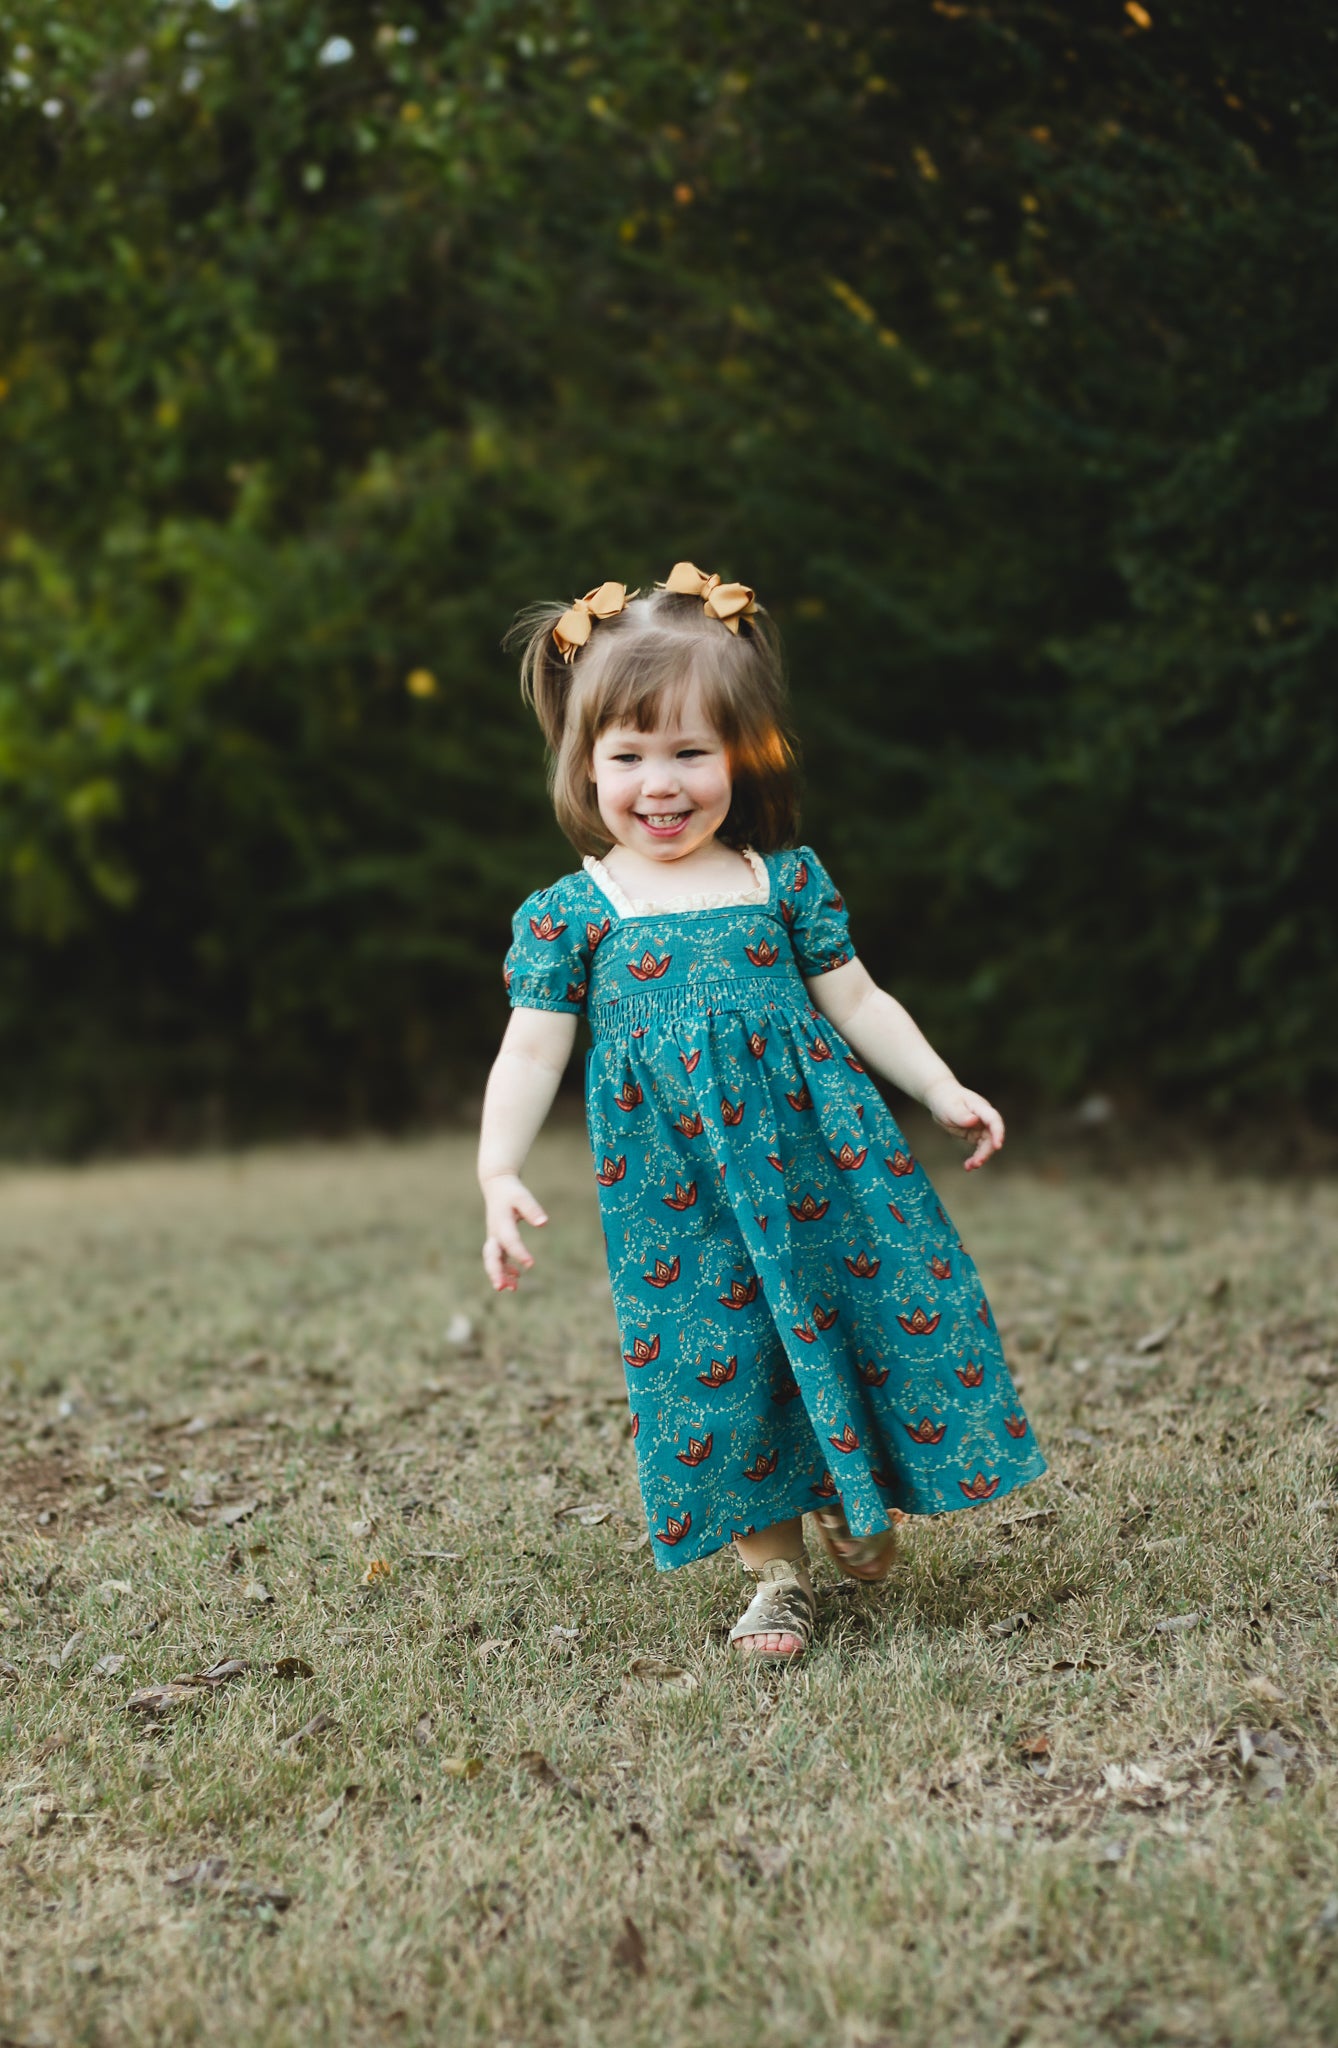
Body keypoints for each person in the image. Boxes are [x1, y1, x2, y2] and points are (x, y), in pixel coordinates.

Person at [478, 565, 1046, 1662]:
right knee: (720, 1362)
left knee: (857, 1315)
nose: (662, 783)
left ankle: (856, 1489)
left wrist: (938, 1086)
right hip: (677, 1195)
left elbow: (860, 997)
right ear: (583, 761)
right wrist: (499, 1170)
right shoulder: (577, 915)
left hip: (820, 1165)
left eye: (691, 751)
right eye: (629, 755)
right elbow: (530, 1046)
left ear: (742, 751)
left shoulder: (780, 883)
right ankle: (775, 1575)